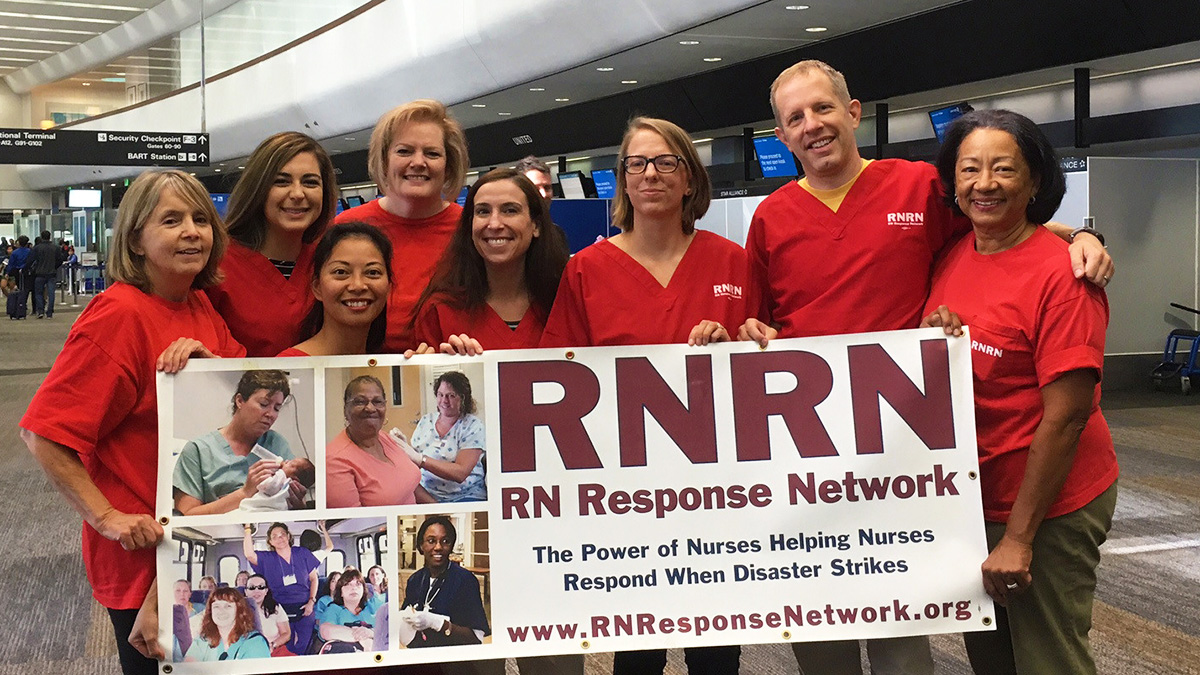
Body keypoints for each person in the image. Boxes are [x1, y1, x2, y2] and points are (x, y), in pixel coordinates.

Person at [738, 59, 1115, 675]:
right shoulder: (771, 219)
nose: (813, 125)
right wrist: (754, 332)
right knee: (822, 603)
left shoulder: (917, 186)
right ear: (782, 137)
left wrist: (1081, 236)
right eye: (795, 118)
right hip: (822, 451)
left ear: (853, 112)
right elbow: (761, 321)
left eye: (824, 108)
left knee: (905, 616)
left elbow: (1003, 220)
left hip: (912, 455)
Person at [540, 116, 750, 675]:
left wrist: (741, 344)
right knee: (636, 650)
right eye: (637, 163)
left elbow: (769, 360)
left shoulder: (734, 262)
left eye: (666, 162)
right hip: (626, 495)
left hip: (718, 493)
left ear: (690, 180)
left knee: (717, 649)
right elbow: (559, 376)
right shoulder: (587, 269)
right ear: (623, 181)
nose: (651, 174)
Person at [20, 169, 245, 674]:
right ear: (136, 240)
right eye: (171, 220)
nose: (192, 231)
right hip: (145, 553)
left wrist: (210, 370)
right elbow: (43, 433)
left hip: (195, 541)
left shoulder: (197, 303)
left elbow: (229, 407)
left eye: (200, 219)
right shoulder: (119, 314)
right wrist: (106, 518)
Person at [924, 109, 1118, 675]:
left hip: (1047, 504)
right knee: (993, 657)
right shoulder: (956, 252)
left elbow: (1067, 419)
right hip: (973, 496)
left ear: (1035, 181)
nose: (984, 184)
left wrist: (1019, 538)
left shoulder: (1064, 277)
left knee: (1048, 659)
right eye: (970, 169)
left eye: (1004, 169)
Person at [334, 99, 469, 352]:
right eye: (404, 151)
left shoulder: (471, 229)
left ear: (448, 164)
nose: (418, 162)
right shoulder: (347, 227)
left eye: (432, 153)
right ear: (384, 160)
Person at [206, 131, 339, 356]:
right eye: (281, 182)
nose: (297, 193)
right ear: (258, 190)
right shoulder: (215, 263)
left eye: (310, 182)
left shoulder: (332, 258)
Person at [410, 168, 569, 355]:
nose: (494, 224)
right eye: (483, 211)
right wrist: (438, 365)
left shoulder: (566, 306)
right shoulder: (440, 310)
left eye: (510, 210)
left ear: (536, 225)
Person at [173, 369, 301, 515]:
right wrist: (245, 493)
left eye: (277, 408)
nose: (271, 414)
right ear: (239, 401)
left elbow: (293, 507)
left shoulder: (277, 444)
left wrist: (297, 502)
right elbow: (186, 517)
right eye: (264, 404)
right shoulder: (198, 451)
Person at [280, 221, 393, 356]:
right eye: (341, 272)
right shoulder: (292, 368)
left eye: (372, 272)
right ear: (317, 287)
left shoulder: (387, 365)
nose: (358, 286)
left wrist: (421, 367)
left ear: (388, 286)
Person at [326, 375, 425, 507]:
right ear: (346, 409)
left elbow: (411, 486)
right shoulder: (334, 461)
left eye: (377, 401)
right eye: (360, 402)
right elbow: (354, 525)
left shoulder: (386, 438)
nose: (370, 408)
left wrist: (439, 511)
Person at [401, 515, 490, 647]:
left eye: (445, 541)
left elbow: (477, 638)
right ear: (421, 545)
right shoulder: (415, 580)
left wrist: (437, 623)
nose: (438, 547)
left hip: (454, 660)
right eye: (431, 541)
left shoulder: (465, 580)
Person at [406, 372, 487, 503]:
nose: (444, 401)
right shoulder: (426, 421)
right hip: (427, 494)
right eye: (440, 395)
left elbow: (460, 473)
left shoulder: (472, 425)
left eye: (451, 396)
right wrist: (402, 446)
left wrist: (421, 460)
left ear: (463, 398)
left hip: (465, 495)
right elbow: (413, 462)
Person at [243, 522, 320, 655]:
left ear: (288, 536)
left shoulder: (302, 553)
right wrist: (248, 528)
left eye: (282, 534)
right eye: (275, 536)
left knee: (304, 645)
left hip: (305, 606)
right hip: (279, 609)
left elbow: (314, 579)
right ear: (270, 542)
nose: (280, 538)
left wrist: (311, 602)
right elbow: (249, 554)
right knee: (287, 647)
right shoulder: (268, 558)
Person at [184, 587, 270, 661]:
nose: (221, 611)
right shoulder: (202, 640)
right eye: (216, 606)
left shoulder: (255, 643)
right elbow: (187, 670)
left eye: (228, 606)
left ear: (239, 611)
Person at [318, 568, 378, 652]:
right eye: (348, 584)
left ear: (363, 590)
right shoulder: (334, 609)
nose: (354, 588)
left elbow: (387, 631)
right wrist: (364, 639)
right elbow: (326, 631)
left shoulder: (373, 607)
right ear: (341, 592)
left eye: (358, 584)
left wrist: (370, 633)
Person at [239, 457, 316, 512]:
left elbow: (267, 486)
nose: (286, 461)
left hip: (262, 507)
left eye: (291, 464)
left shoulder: (282, 476)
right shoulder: (287, 486)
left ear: (295, 479)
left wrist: (263, 481)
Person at [244, 573, 293, 656]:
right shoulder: (237, 609)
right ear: (246, 591)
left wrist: (272, 645)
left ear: (266, 591)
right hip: (248, 653)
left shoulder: (275, 607)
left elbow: (286, 633)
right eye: (252, 588)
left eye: (261, 587)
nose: (256, 591)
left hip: (274, 650)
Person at [31, 230, 63, 319]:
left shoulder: (37, 248)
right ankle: (49, 312)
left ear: (41, 237)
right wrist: (54, 267)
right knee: (51, 293)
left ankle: (40, 311)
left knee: (38, 293)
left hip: (39, 273)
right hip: (51, 273)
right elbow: (60, 260)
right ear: (50, 236)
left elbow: (32, 260)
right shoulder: (56, 248)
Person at [5, 235, 31, 319]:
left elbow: (11, 264)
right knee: (26, 288)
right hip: (27, 272)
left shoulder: (15, 253)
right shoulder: (30, 251)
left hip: (17, 272)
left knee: (19, 288)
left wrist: (8, 273)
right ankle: (23, 305)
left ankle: (19, 305)